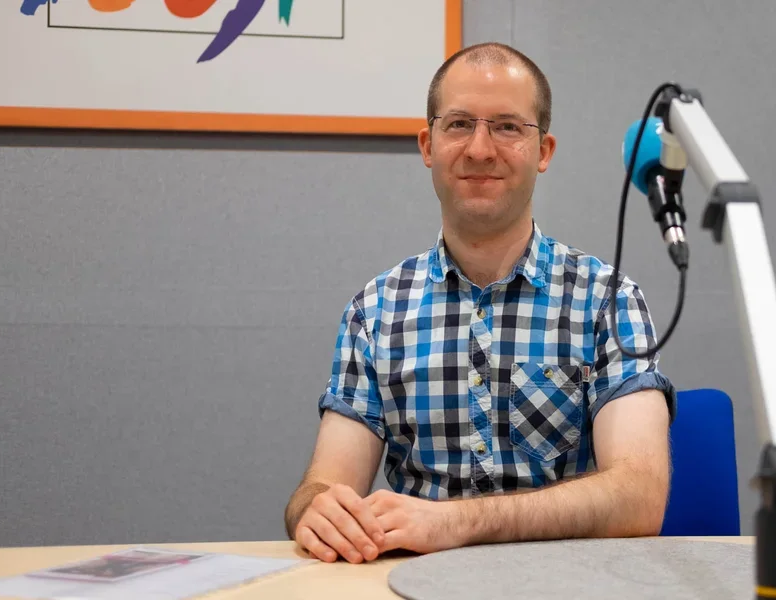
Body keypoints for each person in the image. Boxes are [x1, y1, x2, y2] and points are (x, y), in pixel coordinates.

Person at [283, 42, 676, 564]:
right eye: (459, 124)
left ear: (544, 152)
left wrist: (456, 523)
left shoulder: (608, 300)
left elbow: (640, 497)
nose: (480, 149)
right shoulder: (374, 312)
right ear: (428, 145)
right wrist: (314, 510)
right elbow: (325, 484)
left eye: (509, 127)